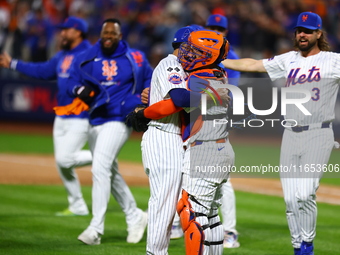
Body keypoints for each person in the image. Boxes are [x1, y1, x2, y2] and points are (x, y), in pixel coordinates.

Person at [222, 11, 339, 255]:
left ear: (319, 34)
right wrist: (217, 62)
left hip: (318, 133)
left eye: (308, 31)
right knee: (289, 200)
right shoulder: (289, 60)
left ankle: (307, 245)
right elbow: (252, 65)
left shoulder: (332, 60)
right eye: (299, 30)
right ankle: (298, 246)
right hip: (290, 134)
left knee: (305, 194)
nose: (302, 34)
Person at [63, 18, 152, 245]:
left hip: (120, 119)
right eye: (105, 34)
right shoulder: (88, 56)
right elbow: (72, 78)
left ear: (120, 36)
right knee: (110, 172)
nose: (108, 37)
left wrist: (143, 97)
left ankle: (95, 229)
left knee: (100, 167)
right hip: (96, 118)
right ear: (100, 35)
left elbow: (151, 79)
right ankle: (135, 216)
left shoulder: (136, 57)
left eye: (113, 33)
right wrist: (77, 89)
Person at [0, 16, 92, 217]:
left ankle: (103, 156)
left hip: (80, 114)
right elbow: (43, 71)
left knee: (65, 159)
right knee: (62, 164)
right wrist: (13, 64)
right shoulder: (62, 55)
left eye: (66, 29)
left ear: (78, 32)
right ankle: (77, 205)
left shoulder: (89, 54)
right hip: (61, 115)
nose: (62, 33)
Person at [170, 14, 241, 249]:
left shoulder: (201, 76)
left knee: (192, 215)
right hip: (221, 147)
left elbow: (180, 97)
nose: (189, 54)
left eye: (195, 52)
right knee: (211, 217)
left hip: (205, 151)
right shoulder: (220, 73)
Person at [140, 25, 198, 255]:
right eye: (196, 47)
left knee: (174, 202)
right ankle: (155, 252)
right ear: (185, 47)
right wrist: (213, 96)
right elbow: (179, 97)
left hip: (173, 137)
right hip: (163, 135)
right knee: (163, 202)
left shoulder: (183, 68)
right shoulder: (171, 64)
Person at [206, 13, 241, 249]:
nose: (216, 31)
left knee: (222, 179)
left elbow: (229, 91)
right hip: (192, 120)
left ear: (226, 32)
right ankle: (182, 222)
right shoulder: (194, 53)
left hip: (216, 118)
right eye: (212, 27)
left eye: (220, 28)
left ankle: (229, 230)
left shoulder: (230, 57)